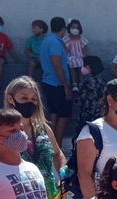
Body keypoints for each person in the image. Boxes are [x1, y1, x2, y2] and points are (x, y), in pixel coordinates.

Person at [4, 76, 66, 199]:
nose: (29, 102)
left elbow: (57, 154)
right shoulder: (0, 131)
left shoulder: (43, 128)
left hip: (48, 198)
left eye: (34, 99)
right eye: (24, 98)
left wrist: (63, 177)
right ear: (11, 99)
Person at [39, 17, 72, 147]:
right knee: (64, 115)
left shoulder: (46, 40)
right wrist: (66, 87)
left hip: (48, 81)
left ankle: (52, 145)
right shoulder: (55, 43)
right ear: (63, 29)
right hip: (56, 83)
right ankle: (56, 145)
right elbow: (57, 66)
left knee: (54, 114)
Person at [75, 56, 106, 127]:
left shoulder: (87, 82)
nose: (82, 68)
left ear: (89, 67)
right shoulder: (102, 80)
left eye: (84, 65)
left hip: (87, 113)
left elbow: (79, 100)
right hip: (99, 113)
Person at [63, 19, 88, 92]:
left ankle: (81, 82)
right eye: (73, 28)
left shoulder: (81, 39)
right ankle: (74, 84)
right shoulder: (67, 39)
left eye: (77, 28)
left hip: (80, 57)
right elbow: (65, 50)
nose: (75, 30)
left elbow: (85, 50)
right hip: (71, 57)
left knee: (80, 65)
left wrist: (85, 56)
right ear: (69, 28)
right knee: (72, 64)